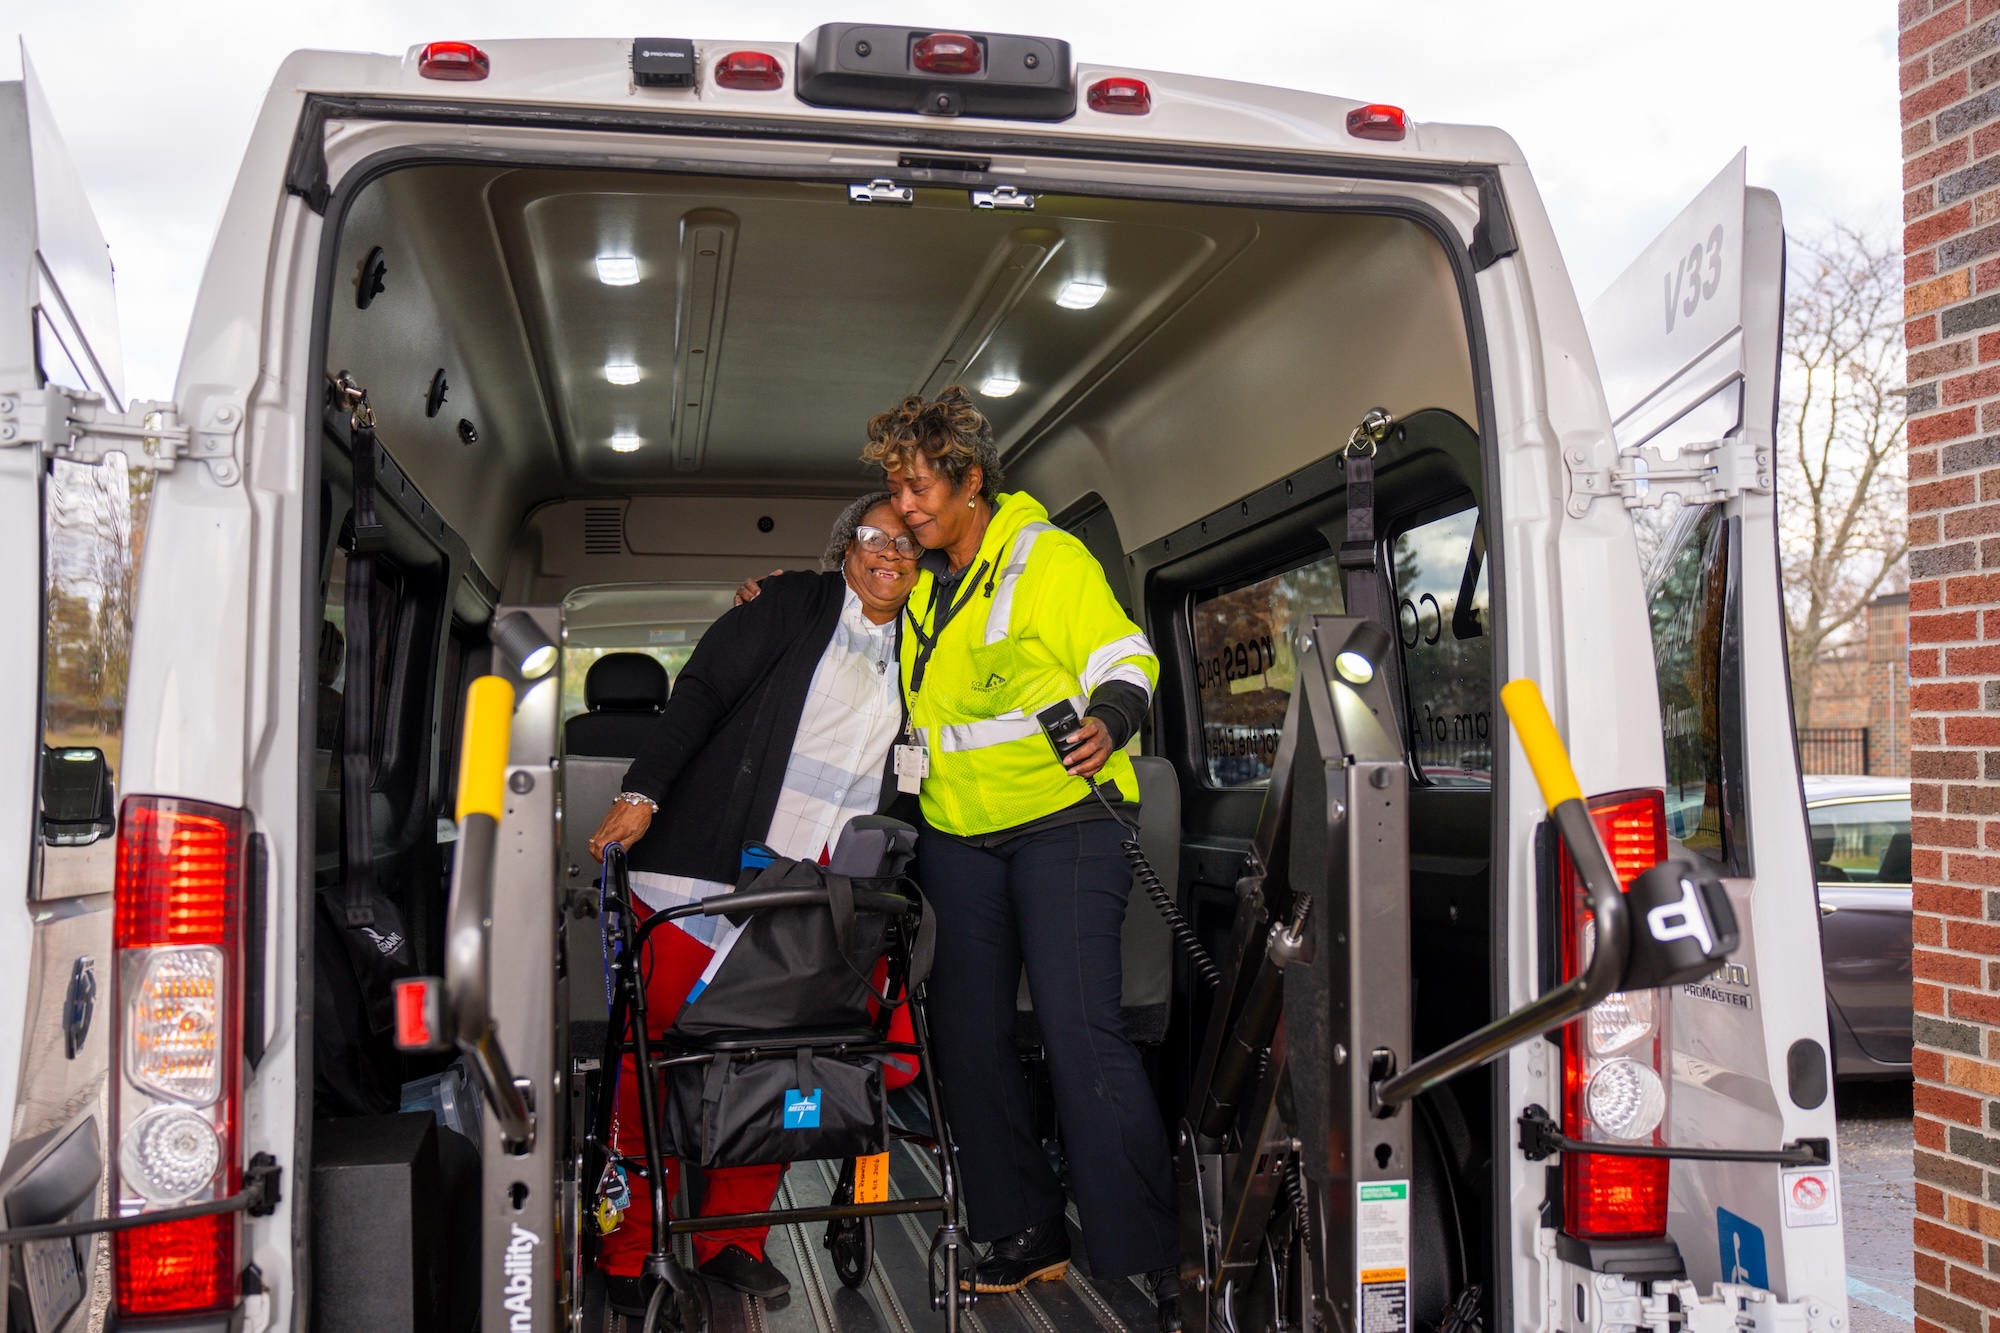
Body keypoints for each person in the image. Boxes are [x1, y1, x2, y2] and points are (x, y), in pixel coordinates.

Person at [864, 387, 1182, 1329]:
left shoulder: (1048, 557)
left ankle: (1149, 1248)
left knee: (1084, 1030)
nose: (907, 507)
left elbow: (1127, 654)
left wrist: (1113, 716)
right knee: (965, 1034)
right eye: (896, 489)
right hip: (960, 834)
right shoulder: (922, 579)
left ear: (970, 480)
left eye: (919, 488)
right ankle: (1026, 1231)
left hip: (1065, 824)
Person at [583, 493, 920, 1312]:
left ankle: (734, 1240)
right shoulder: (784, 604)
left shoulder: (929, 638)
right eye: (875, 537)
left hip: (813, 889)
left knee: (776, 1055)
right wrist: (642, 793)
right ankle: (626, 1243)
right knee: (649, 1059)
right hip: (700, 872)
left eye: (910, 543)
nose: (891, 555)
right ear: (846, 546)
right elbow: (695, 695)